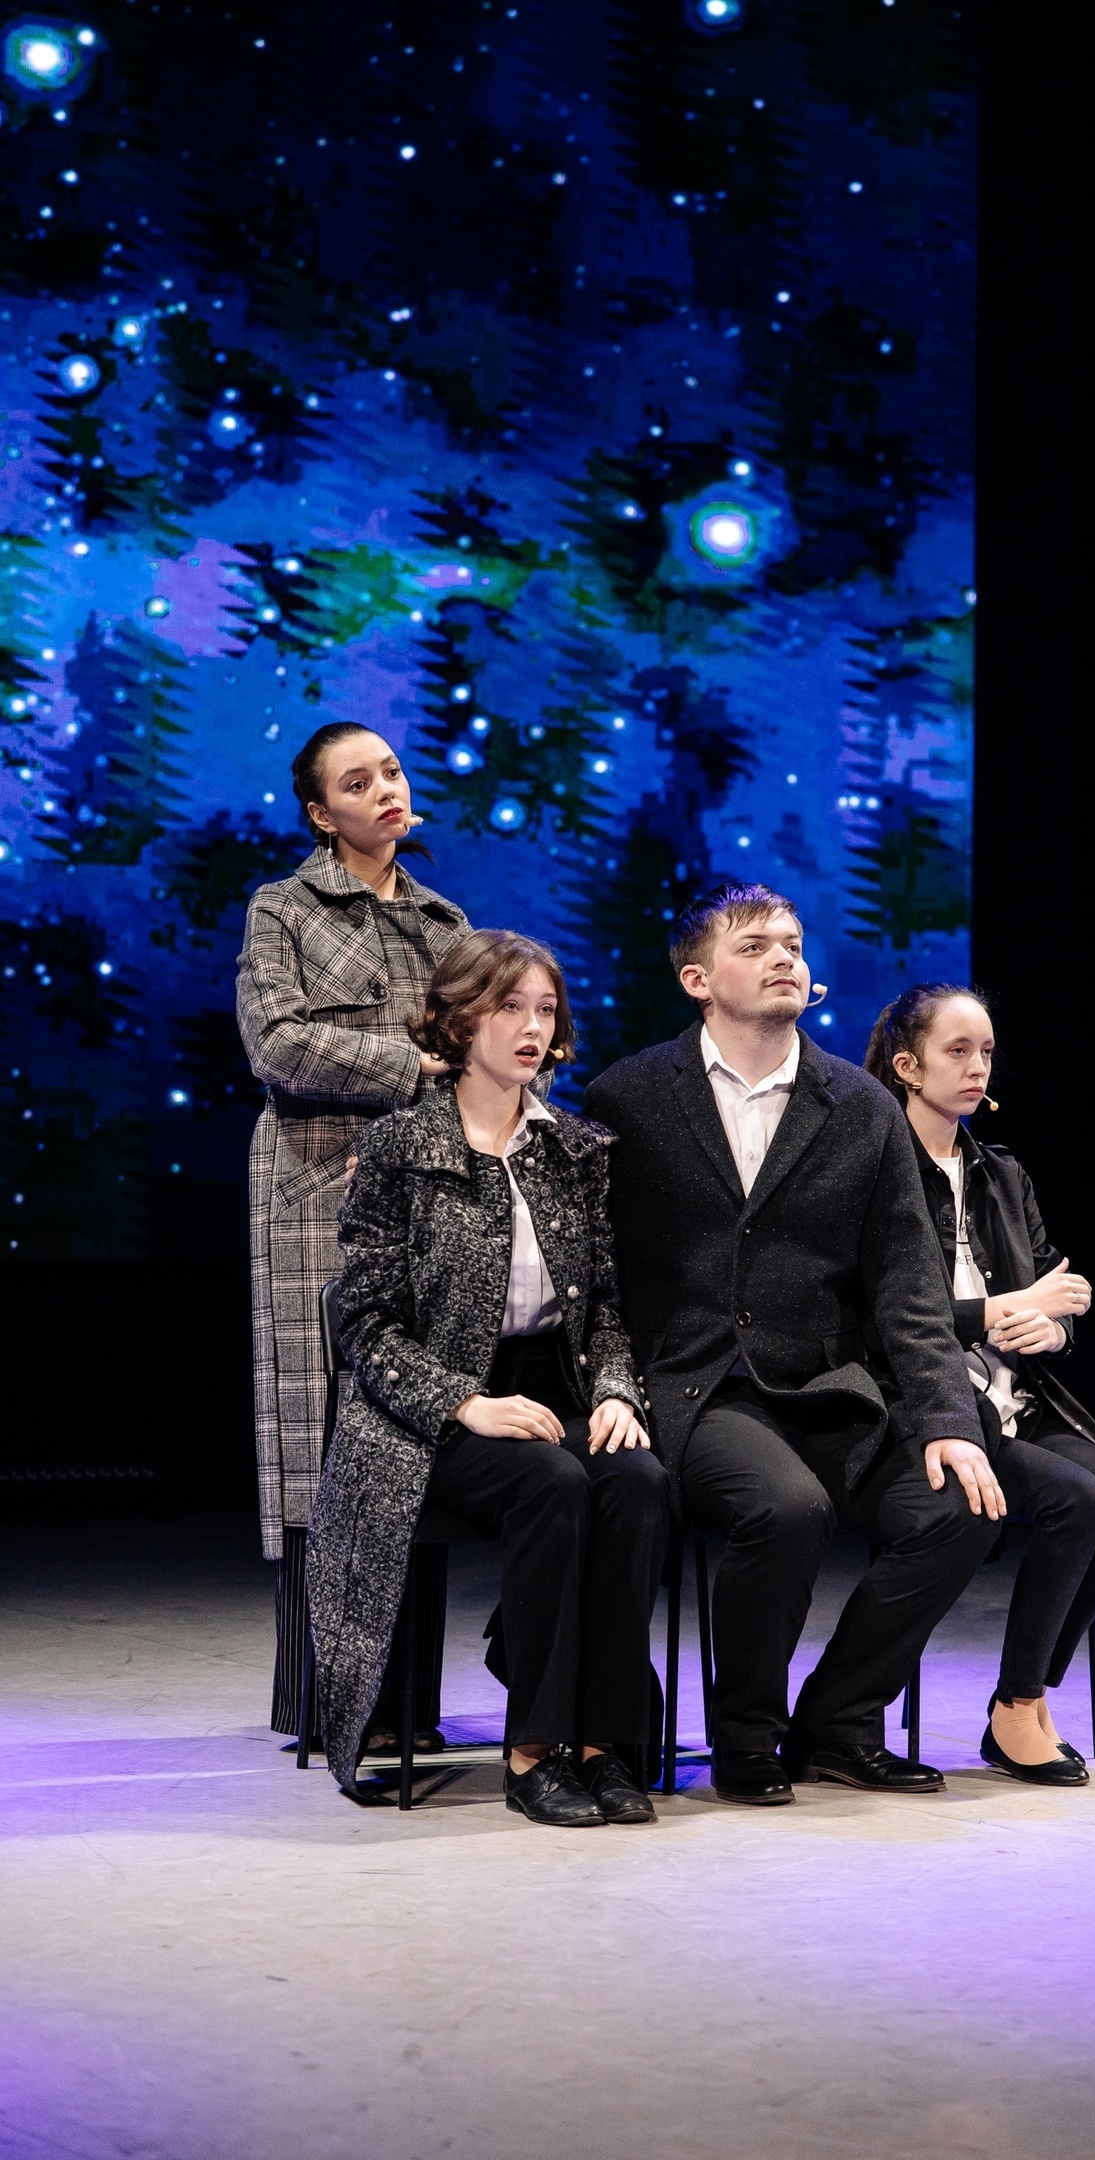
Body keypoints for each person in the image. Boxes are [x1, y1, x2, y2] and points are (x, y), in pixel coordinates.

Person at [584, 883, 1005, 1806]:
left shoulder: (859, 1104)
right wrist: (612, 1387)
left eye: (793, 943)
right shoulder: (630, 1096)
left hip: (825, 1384)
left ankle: (837, 1724)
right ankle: (745, 1738)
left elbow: (909, 1287)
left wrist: (949, 1421)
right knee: (785, 1509)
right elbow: (597, 1273)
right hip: (698, 1385)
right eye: (754, 945)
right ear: (697, 980)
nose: (783, 957)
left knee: (960, 1508)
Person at [305, 929, 670, 1823]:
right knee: (550, 1481)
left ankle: (604, 1743)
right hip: (427, 1412)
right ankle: (533, 1752)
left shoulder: (576, 1149)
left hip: (555, 1386)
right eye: (510, 1007)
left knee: (638, 1480)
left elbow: (608, 1306)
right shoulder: (401, 1146)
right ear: (461, 1020)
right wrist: (465, 1402)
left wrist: (616, 1391)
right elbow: (365, 1322)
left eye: (546, 1010)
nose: (533, 1028)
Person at [237, 723, 469, 1754]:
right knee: (325, 1438)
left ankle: (406, 1699)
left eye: (392, 773)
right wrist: (413, 1067)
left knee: (411, 1429)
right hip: (316, 1188)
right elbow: (277, 1042)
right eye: (357, 782)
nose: (385, 790)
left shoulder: (445, 921)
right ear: (320, 814)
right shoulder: (283, 909)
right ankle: (329, 1701)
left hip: (429, 1194)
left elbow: (488, 1046)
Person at [865, 983, 1095, 1787]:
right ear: (907, 1066)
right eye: (957, 1051)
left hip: (1015, 1396)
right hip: (928, 1406)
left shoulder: (1000, 1174)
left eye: (986, 1052)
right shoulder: (878, 1171)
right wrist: (1001, 1311)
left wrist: (1054, 1327)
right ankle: (1019, 1708)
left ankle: (1022, 1694)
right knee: (1075, 1499)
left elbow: (1055, 1285)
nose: (977, 1067)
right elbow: (885, 1317)